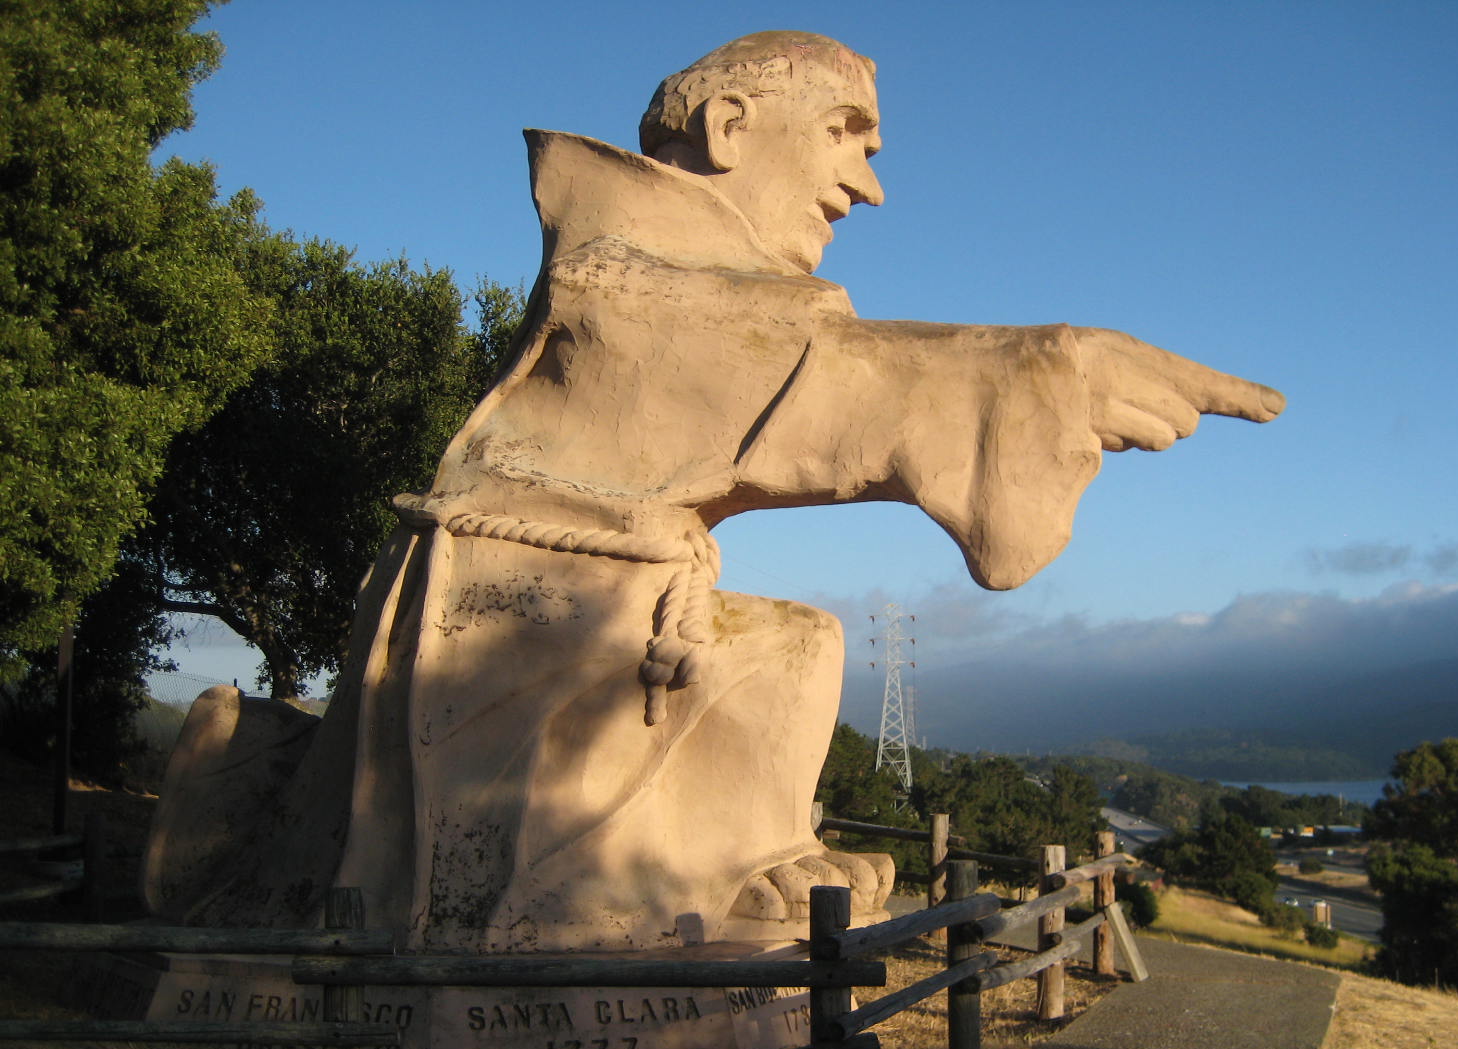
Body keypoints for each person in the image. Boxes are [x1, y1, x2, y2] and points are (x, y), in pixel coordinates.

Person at [143, 31, 1282, 952]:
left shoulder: (683, 279)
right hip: (507, 617)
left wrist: (1040, 371)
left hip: (610, 606)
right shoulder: (615, 275)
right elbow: (813, 382)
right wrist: (1051, 368)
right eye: (848, 136)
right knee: (794, 647)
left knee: (794, 643)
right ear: (730, 126)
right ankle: (646, 891)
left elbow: (808, 370)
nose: (868, 188)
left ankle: (738, 866)